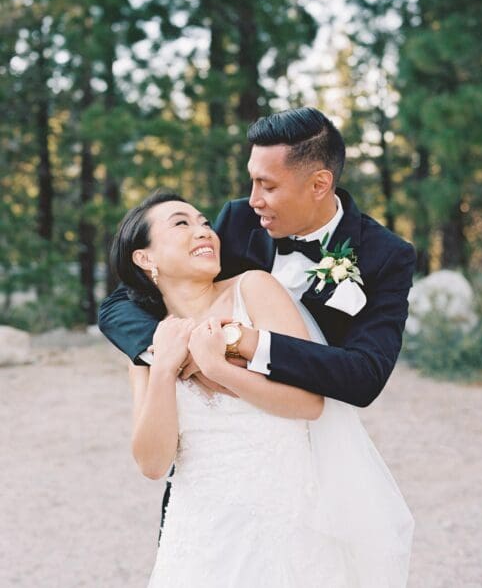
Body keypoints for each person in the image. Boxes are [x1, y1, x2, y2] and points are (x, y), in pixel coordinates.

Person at [99, 107, 416, 530]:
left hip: (300, 462)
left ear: (320, 184)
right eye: (252, 180)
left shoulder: (385, 256)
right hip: (209, 482)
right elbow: (121, 302)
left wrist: (239, 343)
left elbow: (364, 375)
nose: (253, 199)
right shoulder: (236, 221)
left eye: (267, 185)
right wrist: (164, 353)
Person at [112, 190, 412, 586]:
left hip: (286, 525)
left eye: (204, 222)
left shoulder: (254, 289)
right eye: (181, 224)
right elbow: (152, 464)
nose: (204, 231)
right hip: (199, 535)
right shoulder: (149, 347)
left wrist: (218, 368)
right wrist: (165, 369)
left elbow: (309, 403)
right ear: (145, 258)